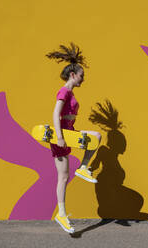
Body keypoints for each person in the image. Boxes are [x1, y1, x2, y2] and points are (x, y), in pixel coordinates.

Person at [46, 42, 102, 233]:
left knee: (96, 136)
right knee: (62, 177)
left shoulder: (71, 92)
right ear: (73, 75)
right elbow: (55, 114)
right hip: (61, 137)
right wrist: (60, 137)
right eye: (81, 76)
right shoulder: (64, 91)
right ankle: (61, 214)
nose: (83, 80)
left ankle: (84, 167)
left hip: (70, 134)